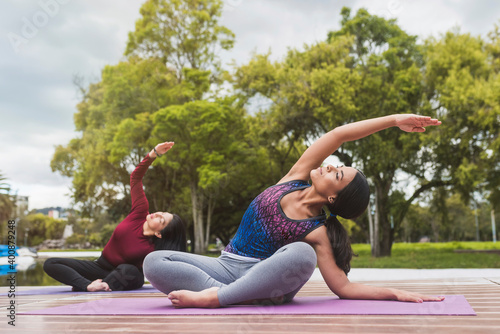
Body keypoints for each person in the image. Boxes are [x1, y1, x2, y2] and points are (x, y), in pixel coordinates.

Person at [144, 114, 444, 307]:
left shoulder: (318, 232)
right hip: (225, 267)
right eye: (337, 166)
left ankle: (215, 298)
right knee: (154, 261)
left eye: (336, 174)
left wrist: (394, 293)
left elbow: (344, 287)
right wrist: (393, 120)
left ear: (332, 199)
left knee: (303, 255)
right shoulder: (293, 178)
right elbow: (339, 134)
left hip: (266, 277)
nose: (329, 166)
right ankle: (237, 295)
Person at [44, 142, 187, 292]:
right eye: (162, 212)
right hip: (100, 266)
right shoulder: (140, 211)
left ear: (159, 234)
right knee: (51, 263)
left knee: (130, 271)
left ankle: (102, 285)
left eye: (161, 220)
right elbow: (135, 178)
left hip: (124, 275)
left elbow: (170, 267)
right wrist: (153, 154)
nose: (157, 214)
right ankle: (89, 285)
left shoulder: (153, 250)